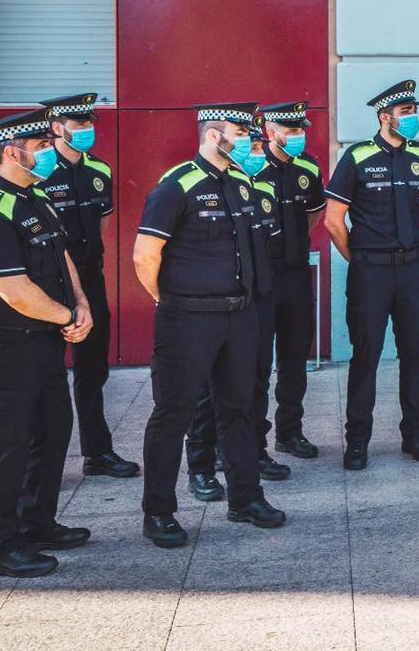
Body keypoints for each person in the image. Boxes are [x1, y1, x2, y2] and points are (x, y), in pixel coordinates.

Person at [134, 103, 286, 548]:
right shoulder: (176, 184)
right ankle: (158, 512)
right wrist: (170, 300)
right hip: (187, 318)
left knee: (239, 408)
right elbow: (146, 256)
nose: (248, 139)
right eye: (240, 131)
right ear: (213, 134)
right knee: (173, 414)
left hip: (239, 316)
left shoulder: (243, 184)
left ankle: (245, 497)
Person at [0, 109, 93, 578]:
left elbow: (64, 258)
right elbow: (12, 287)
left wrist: (80, 304)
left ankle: (36, 523)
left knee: (52, 432)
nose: (48, 153)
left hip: (43, 340)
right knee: (5, 444)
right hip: (3, 344)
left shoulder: (36, 198)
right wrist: (66, 317)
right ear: (14, 152)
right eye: (39, 147)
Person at [325, 80, 419, 468]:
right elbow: (333, 221)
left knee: (414, 354)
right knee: (366, 356)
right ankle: (357, 442)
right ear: (383, 117)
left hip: (411, 269)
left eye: (413, 111)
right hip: (369, 273)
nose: (411, 118)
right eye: (405, 112)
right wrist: (359, 256)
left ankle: (416, 435)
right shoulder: (356, 157)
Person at [37, 93, 138, 479]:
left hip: (89, 280)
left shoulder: (100, 171)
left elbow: (101, 227)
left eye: (88, 123)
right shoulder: (41, 171)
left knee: (92, 370)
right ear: (57, 127)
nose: (86, 130)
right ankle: (43, 466)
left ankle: (97, 452)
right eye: (78, 124)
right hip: (47, 284)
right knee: (43, 375)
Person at [185, 125, 289, 495]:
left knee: (254, 380)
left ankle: (253, 451)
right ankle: (201, 464)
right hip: (213, 302)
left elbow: (267, 246)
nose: (254, 150)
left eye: (259, 144)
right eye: (250, 142)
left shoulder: (259, 188)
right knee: (205, 388)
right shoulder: (192, 183)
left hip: (255, 299)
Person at [257, 101, 326, 460]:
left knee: (295, 358)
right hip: (262, 278)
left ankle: (289, 431)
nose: (298, 136)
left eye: (301, 130)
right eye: (291, 130)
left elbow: (313, 216)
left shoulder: (308, 167)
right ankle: (253, 442)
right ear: (271, 132)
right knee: (253, 363)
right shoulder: (252, 167)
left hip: (296, 274)